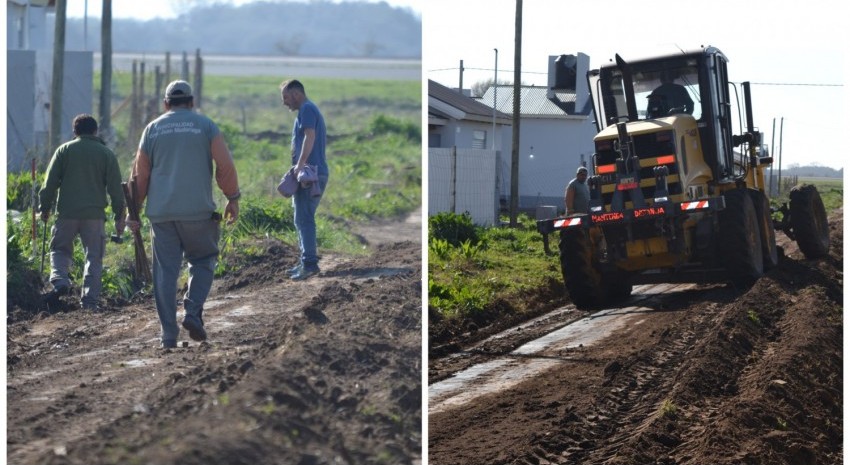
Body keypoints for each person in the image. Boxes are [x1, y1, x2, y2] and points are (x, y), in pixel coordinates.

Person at [126, 80, 240, 349]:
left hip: (162, 214)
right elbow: (224, 165)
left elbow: (139, 176)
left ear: (166, 104)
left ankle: (168, 335)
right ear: (191, 101)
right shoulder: (206, 126)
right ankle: (192, 311)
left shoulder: (152, 129)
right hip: (198, 212)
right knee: (203, 260)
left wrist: (135, 210)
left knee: (165, 273)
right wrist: (232, 197)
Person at [39, 114, 125, 310]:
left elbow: (49, 184)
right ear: (95, 131)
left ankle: (60, 280)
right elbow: (115, 190)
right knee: (93, 257)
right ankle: (89, 302)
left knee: (59, 249)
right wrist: (119, 215)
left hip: (66, 213)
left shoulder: (64, 151)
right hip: (94, 216)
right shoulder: (106, 154)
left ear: (74, 132)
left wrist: (44, 208)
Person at [280, 79, 329, 281]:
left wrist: (299, 165)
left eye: (285, 97)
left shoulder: (307, 109)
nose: (284, 102)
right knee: (300, 218)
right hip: (309, 172)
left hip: (311, 173)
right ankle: (304, 262)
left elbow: (310, 136)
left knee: (305, 219)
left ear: (296, 94)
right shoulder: (306, 110)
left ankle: (309, 265)